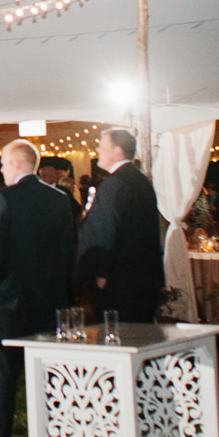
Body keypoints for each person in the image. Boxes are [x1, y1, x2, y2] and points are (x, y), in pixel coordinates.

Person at [0, 138, 74, 437]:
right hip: (49, 298)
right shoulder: (59, 199)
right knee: (51, 369)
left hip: (9, 300)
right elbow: (66, 250)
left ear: (16, 164)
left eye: (2, 163)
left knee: (4, 369)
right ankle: (59, 433)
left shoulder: (4, 198)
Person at [75, 128, 166, 322]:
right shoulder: (142, 180)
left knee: (120, 338)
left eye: (102, 145)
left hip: (121, 279)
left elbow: (108, 232)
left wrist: (102, 272)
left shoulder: (113, 184)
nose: (98, 150)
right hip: (146, 275)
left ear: (118, 150)